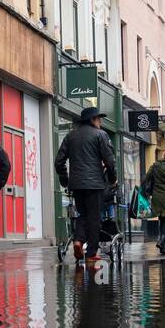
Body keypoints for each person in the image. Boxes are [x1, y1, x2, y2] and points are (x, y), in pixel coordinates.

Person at [55, 106, 116, 263]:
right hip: (95, 184)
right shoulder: (101, 135)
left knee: (83, 214)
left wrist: (65, 180)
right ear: (92, 120)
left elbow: (59, 161)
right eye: (98, 119)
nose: (100, 122)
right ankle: (91, 253)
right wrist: (112, 178)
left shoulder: (70, 136)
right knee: (94, 217)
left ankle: (78, 241)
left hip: (76, 184)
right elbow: (109, 161)